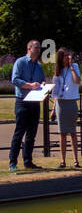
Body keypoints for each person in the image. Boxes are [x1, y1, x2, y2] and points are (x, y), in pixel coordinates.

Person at [9, 39, 46, 172]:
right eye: (36, 47)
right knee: (19, 132)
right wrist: (30, 85)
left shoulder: (39, 66)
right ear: (29, 48)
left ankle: (28, 162)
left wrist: (43, 84)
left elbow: (42, 80)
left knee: (31, 133)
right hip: (22, 102)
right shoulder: (20, 62)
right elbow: (15, 79)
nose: (39, 50)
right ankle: (12, 162)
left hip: (35, 102)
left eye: (39, 48)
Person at [51, 48, 81, 169]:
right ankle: (62, 161)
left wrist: (71, 66)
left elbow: (77, 81)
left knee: (73, 132)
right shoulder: (58, 70)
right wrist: (53, 109)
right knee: (62, 133)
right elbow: (56, 91)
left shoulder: (75, 66)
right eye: (65, 56)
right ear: (60, 58)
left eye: (69, 55)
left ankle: (76, 161)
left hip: (71, 101)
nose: (68, 57)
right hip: (61, 103)